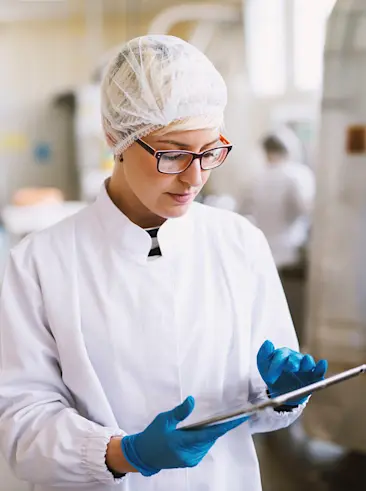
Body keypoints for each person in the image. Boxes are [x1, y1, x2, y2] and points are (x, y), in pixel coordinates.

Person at [0, 35, 327, 491]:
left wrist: (279, 395)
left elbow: (259, 414)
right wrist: (123, 454)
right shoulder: (38, 264)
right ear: (116, 137)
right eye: (172, 154)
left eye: (210, 151)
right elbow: (20, 429)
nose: (195, 176)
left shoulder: (239, 243)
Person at [251, 129, 315, 269]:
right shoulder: (297, 175)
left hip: (263, 248)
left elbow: (242, 210)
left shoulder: (256, 178)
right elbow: (306, 209)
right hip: (290, 249)